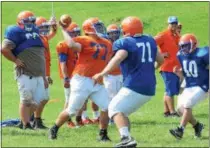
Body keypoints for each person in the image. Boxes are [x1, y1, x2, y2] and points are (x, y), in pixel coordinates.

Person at [92, 16, 164, 147]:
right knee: (122, 112)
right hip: (150, 87)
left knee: (113, 108)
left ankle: (126, 138)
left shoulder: (126, 43)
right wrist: (149, 70)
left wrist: (102, 73)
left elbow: (118, 58)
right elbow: (161, 60)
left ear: (125, 30)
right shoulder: (150, 40)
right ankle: (128, 140)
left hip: (134, 85)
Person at [49, 17, 112, 142]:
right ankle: (54, 128)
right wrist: (63, 29)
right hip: (82, 79)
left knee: (107, 107)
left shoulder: (107, 43)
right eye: (97, 26)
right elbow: (71, 45)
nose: (100, 28)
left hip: (96, 80)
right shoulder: (83, 39)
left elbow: (105, 61)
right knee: (72, 110)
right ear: (88, 29)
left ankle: (103, 134)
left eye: (100, 25)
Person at [1, 10, 47, 129]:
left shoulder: (36, 31)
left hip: (38, 73)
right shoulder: (15, 31)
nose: (30, 24)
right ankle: (26, 124)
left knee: (39, 100)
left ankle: (23, 121)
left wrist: (44, 76)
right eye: (27, 21)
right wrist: (15, 60)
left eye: (32, 21)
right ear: (20, 22)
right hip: (25, 72)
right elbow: (4, 49)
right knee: (26, 100)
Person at [169, 34, 208, 139]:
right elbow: (189, 71)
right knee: (180, 109)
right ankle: (197, 126)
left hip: (202, 85)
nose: (183, 49)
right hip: (189, 84)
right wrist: (179, 73)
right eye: (182, 46)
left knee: (187, 104)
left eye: (186, 46)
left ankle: (180, 130)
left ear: (193, 44)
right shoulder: (180, 55)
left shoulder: (203, 53)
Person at [56, 22, 84, 128]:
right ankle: (68, 120)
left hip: (78, 75)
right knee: (69, 99)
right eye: (74, 33)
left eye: (77, 32)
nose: (76, 35)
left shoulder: (79, 43)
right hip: (69, 76)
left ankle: (79, 119)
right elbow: (63, 64)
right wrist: (66, 78)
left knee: (81, 98)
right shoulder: (63, 45)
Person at [32, 16, 57, 129]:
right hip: (39, 73)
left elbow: (52, 33)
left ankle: (35, 119)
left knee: (43, 98)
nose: (44, 30)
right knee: (42, 98)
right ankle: (34, 120)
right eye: (42, 28)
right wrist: (44, 76)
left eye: (45, 27)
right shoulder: (36, 40)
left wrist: (53, 26)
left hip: (44, 73)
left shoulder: (44, 38)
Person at [155, 16, 180, 117]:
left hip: (175, 68)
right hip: (167, 67)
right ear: (168, 24)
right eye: (172, 23)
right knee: (170, 91)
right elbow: (151, 43)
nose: (173, 25)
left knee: (168, 90)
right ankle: (173, 112)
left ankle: (166, 112)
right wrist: (161, 55)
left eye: (175, 23)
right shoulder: (163, 35)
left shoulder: (176, 35)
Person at [104, 24, 122, 125]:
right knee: (111, 97)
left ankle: (118, 115)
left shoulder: (121, 43)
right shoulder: (106, 44)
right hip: (110, 75)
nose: (114, 35)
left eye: (116, 33)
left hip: (120, 73)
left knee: (120, 96)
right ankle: (111, 117)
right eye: (112, 33)